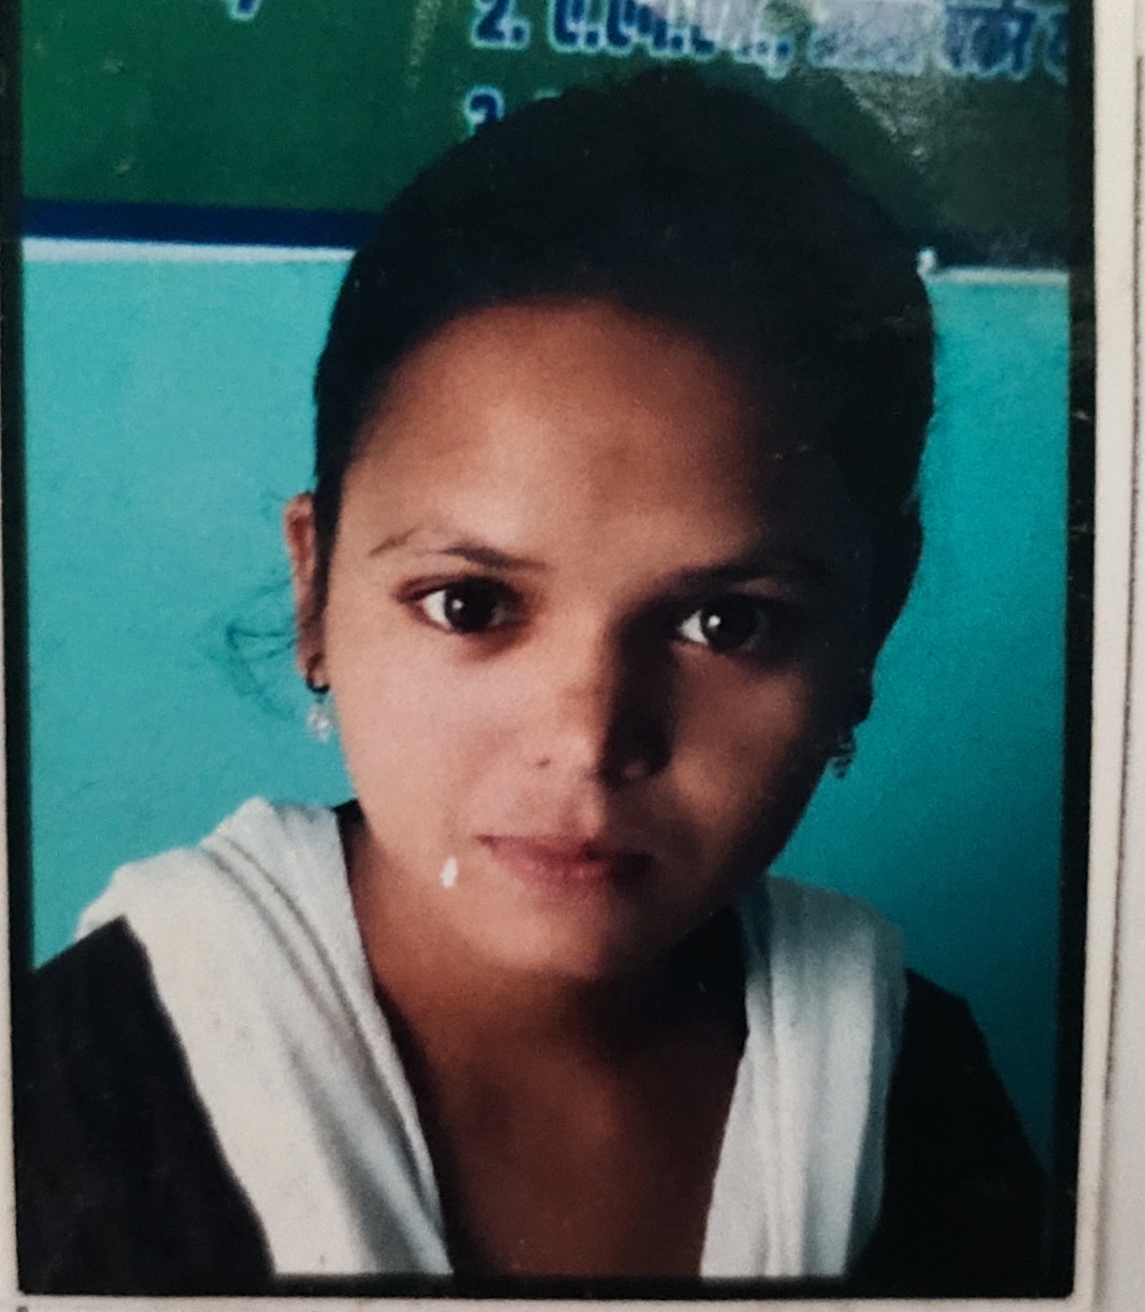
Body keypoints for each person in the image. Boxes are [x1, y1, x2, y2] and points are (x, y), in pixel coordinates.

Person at [14, 65, 1046, 1295]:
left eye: (726, 620)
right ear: (314, 589)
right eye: (470, 603)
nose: (588, 735)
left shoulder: (907, 1085)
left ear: (867, 628)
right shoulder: (80, 1092)